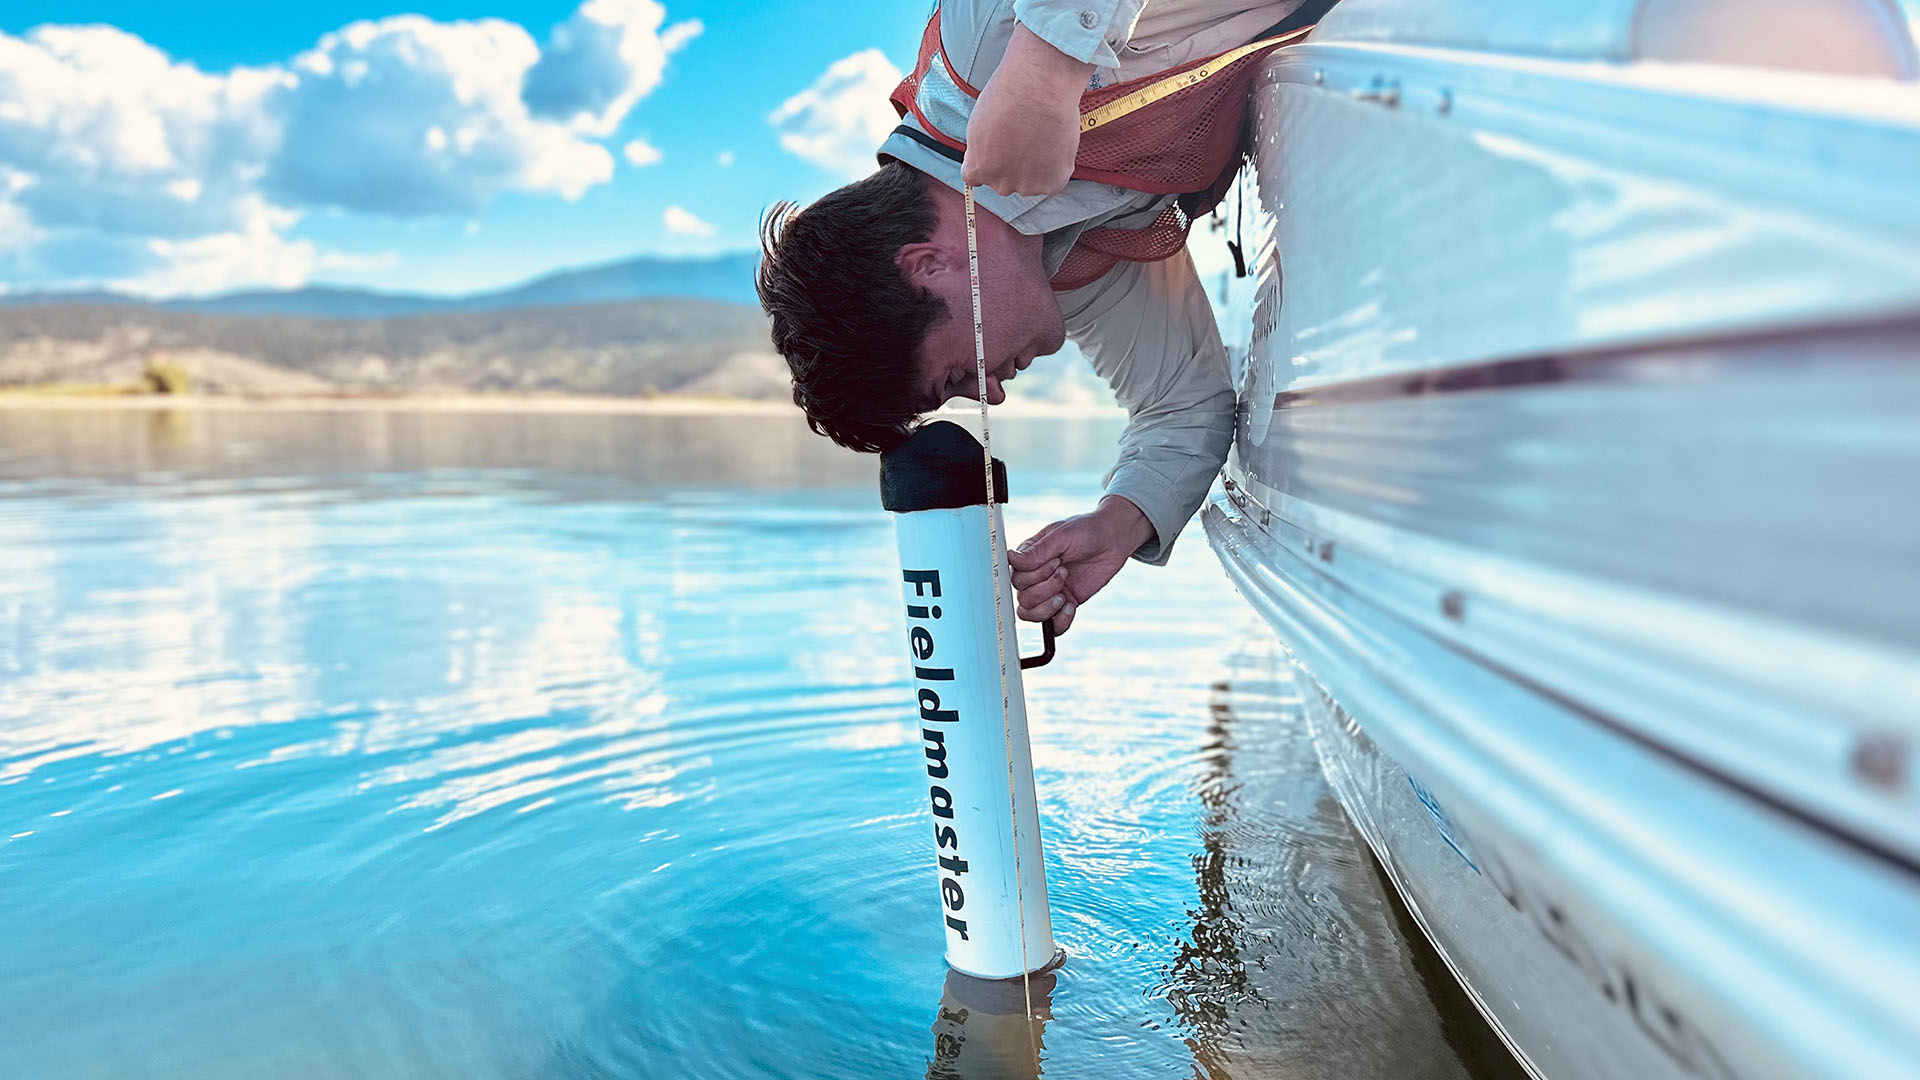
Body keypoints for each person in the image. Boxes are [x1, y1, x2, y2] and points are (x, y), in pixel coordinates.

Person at [757, 0, 1318, 634]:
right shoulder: (1063, 261)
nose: (990, 394)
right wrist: (1118, 522)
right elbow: (1183, 402)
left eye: (954, 380)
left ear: (927, 265)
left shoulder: (981, 46)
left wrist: (1044, 65)